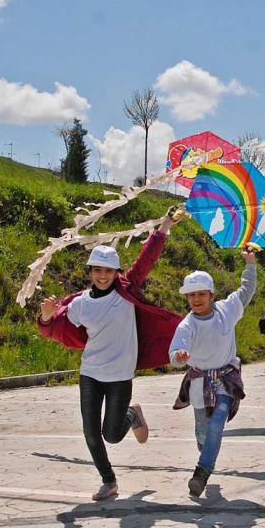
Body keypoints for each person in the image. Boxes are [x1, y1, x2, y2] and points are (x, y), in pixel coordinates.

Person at [37, 211, 182, 501]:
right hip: (90, 372)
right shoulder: (79, 304)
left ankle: (132, 413)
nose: (103, 276)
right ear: (90, 273)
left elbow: (147, 258)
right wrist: (46, 317)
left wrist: (165, 225)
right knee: (90, 432)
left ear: (116, 273)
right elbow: (55, 329)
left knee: (112, 435)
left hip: (119, 375)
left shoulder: (126, 290)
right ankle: (109, 481)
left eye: (108, 271)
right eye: (97, 270)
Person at [169, 245, 257, 496]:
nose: (196, 300)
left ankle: (202, 472)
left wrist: (250, 264)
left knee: (218, 418)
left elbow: (246, 291)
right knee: (203, 432)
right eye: (191, 295)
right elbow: (174, 354)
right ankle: (206, 452)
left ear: (212, 294)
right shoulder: (187, 325)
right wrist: (180, 356)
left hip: (225, 379)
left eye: (201, 294)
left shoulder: (226, 311)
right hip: (199, 382)